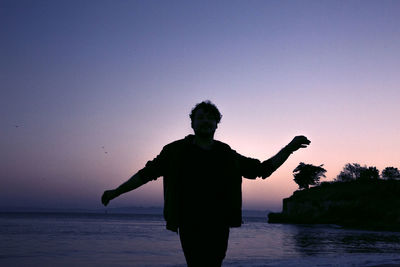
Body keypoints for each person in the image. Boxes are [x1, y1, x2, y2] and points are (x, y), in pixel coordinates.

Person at [101, 100, 310, 267]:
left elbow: (263, 170)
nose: (205, 121)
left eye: (211, 118)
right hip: (189, 222)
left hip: (219, 223)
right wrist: (116, 192)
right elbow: (145, 174)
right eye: (200, 117)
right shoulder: (174, 152)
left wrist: (289, 148)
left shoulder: (226, 153)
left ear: (217, 124)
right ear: (192, 123)